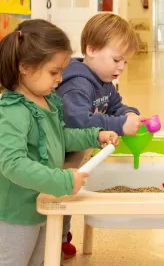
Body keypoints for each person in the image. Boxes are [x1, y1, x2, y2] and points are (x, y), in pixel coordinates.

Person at [0, 19, 119, 266]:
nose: (60, 79)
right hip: (15, 214)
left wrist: (94, 135)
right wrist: (62, 180)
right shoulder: (12, 110)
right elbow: (12, 163)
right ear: (24, 67)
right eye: (54, 72)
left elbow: (59, 136)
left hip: (43, 202)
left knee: (41, 260)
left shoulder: (46, 99)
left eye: (62, 70)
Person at [57, 12, 145, 259]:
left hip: (77, 150)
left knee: (66, 194)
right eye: (117, 59)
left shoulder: (104, 79)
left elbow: (117, 104)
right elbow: (79, 120)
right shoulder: (77, 83)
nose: (121, 67)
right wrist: (119, 124)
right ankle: (57, 239)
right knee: (58, 197)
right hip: (59, 151)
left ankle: (62, 237)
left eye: (125, 62)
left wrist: (129, 114)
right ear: (92, 49)